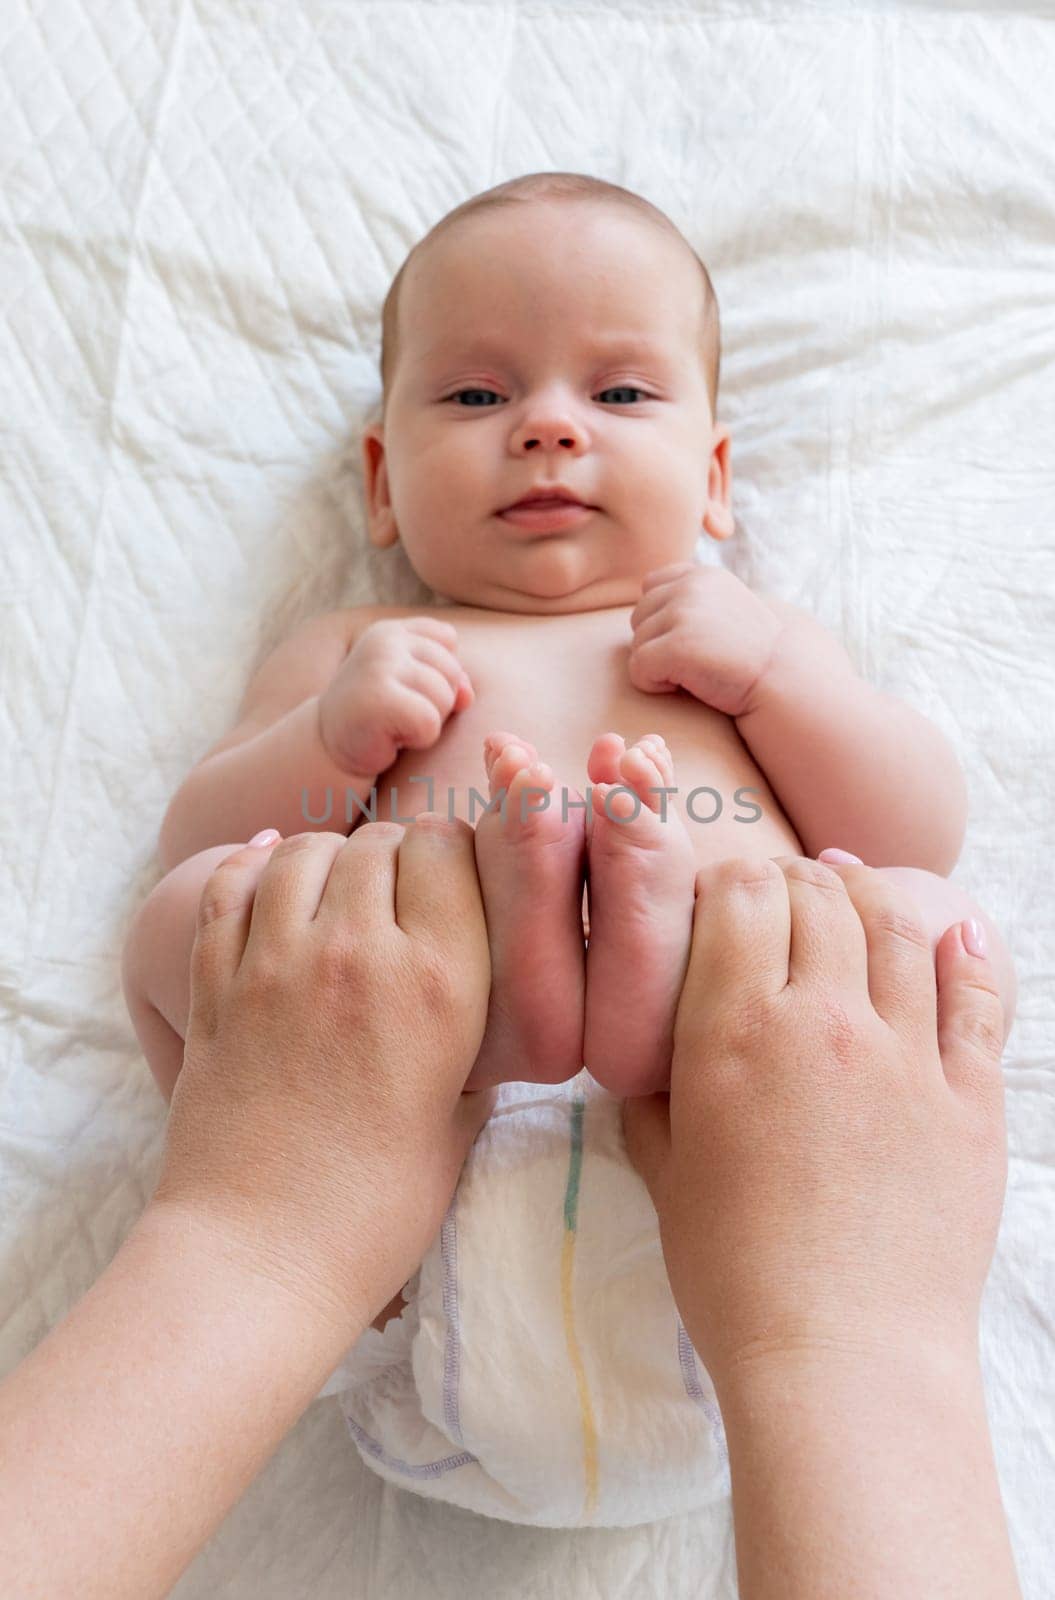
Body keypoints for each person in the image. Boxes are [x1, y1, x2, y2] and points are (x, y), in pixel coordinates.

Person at [3, 824, 1022, 1598]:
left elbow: (912, 813)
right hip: (820, 1390)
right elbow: (207, 812)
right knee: (188, 903)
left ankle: (543, 990)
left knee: (913, 904)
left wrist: (245, 1234)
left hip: (274, 1305)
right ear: (382, 524)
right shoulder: (367, 635)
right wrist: (857, 1334)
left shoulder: (744, 650)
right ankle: (623, 995)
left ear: (719, 523)